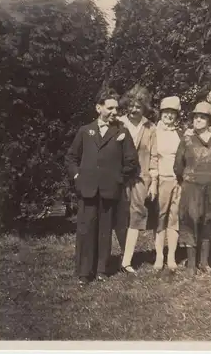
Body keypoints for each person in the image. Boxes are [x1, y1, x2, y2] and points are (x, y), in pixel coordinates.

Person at [65, 88, 139, 285]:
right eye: (110, 108)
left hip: (109, 189)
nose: (114, 111)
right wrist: (77, 175)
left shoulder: (122, 132)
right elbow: (71, 157)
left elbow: (132, 162)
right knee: (86, 229)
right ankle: (83, 272)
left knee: (105, 230)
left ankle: (101, 270)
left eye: (116, 108)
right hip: (87, 188)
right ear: (99, 108)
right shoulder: (85, 131)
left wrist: (117, 178)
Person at [174, 102, 211, 276]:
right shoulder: (186, 139)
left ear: (209, 120)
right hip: (192, 186)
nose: (198, 120)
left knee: (209, 221)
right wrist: (187, 179)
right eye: (196, 117)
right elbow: (177, 166)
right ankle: (191, 264)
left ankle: (204, 262)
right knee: (190, 220)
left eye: (202, 117)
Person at [118, 84, 159, 274]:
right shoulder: (118, 123)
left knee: (136, 217)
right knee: (118, 216)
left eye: (139, 107)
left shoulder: (150, 127)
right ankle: (115, 254)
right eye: (132, 105)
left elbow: (153, 156)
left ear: (145, 108)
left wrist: (154, 181)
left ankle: (127, 260)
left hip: (141, 179)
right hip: (117, 177)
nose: (134, 109)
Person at [154, 96, 184, 271]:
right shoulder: (154, 132)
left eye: (173, 113)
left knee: (174, 218)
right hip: (161, 179)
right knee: (160, 218)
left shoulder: (180, 133)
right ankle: (159, 256)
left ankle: (171, 256)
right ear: (161, 113)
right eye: (166, 112)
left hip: (177, 180)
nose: (169, 116)